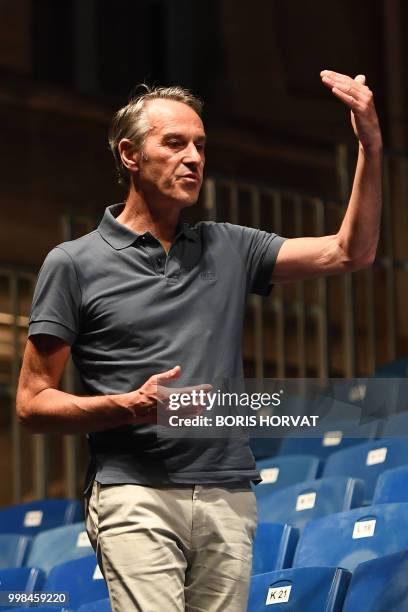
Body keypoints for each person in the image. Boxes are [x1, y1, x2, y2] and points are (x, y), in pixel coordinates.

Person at [16, 70, 382, 612]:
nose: (194, 157)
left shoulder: (229, 246)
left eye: (201, 145)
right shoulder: (73, 263)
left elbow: (350, 252)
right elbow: (32, 402)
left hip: (228, 493)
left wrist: (370, 145)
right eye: (175, 143)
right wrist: (127, 406)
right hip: (134, 490)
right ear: (129, 155)